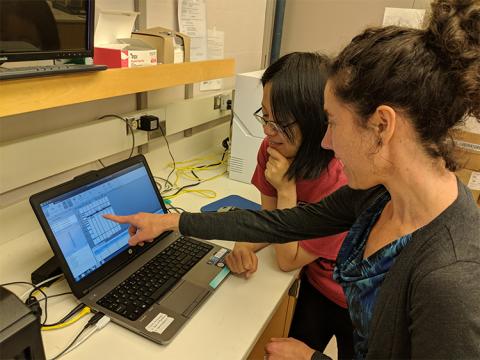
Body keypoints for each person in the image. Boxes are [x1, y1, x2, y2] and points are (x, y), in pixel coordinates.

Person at [105, 0, 480, 358]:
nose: (326, 141)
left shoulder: (450, 278)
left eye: (332, 122)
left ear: (381, 125)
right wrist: (170, 221)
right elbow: (279, 223)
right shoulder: (377, 197)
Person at [223, 52, 354, 358]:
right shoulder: (271, 149)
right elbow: (271, 224)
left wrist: (285, 188)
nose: (268, 131)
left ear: (316, 121)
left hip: (354, 298)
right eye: (265, 116)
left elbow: (287, 259)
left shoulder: (341, 177)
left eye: (280, 123)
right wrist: (245, 244)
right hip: (315, 283)